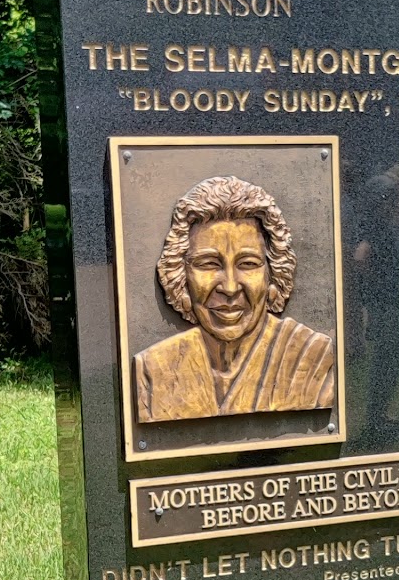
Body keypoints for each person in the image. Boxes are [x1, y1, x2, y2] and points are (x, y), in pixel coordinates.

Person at [136, 175, 335, 422]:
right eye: (208, 264)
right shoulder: (153, 370)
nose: (230, 287)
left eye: (248, 264)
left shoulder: (313, 358)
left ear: (273, 274)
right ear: (180, 275)